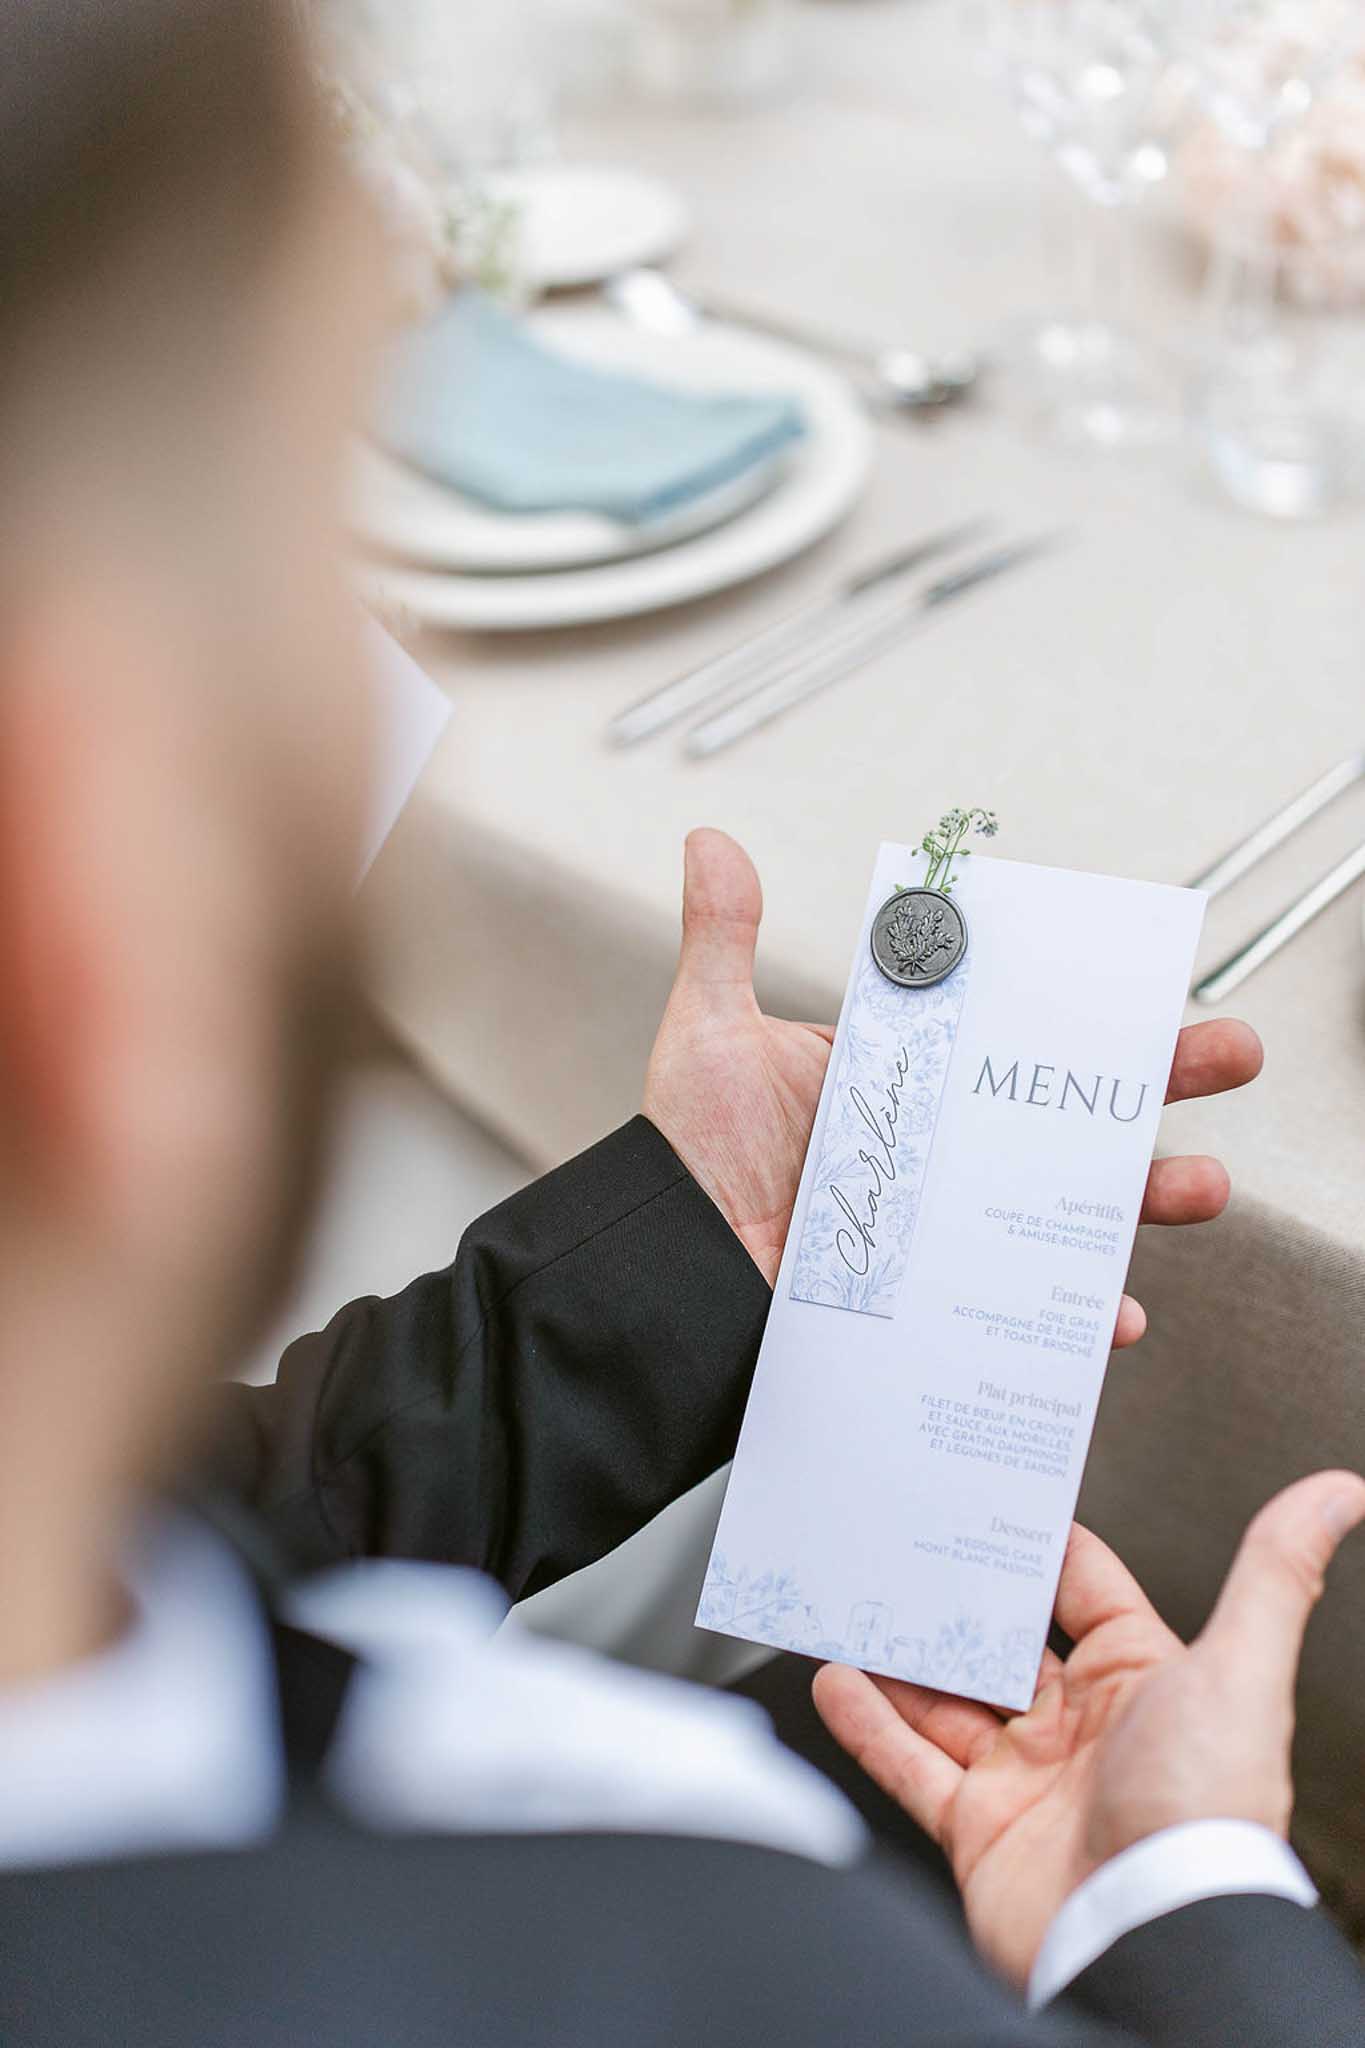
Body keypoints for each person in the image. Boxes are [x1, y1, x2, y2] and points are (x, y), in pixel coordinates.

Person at [0, 1, 1361, 2042]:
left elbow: (207, 1507)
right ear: (84, 885)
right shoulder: (701, 1984)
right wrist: (1183, 1931)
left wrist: (666, 1259)